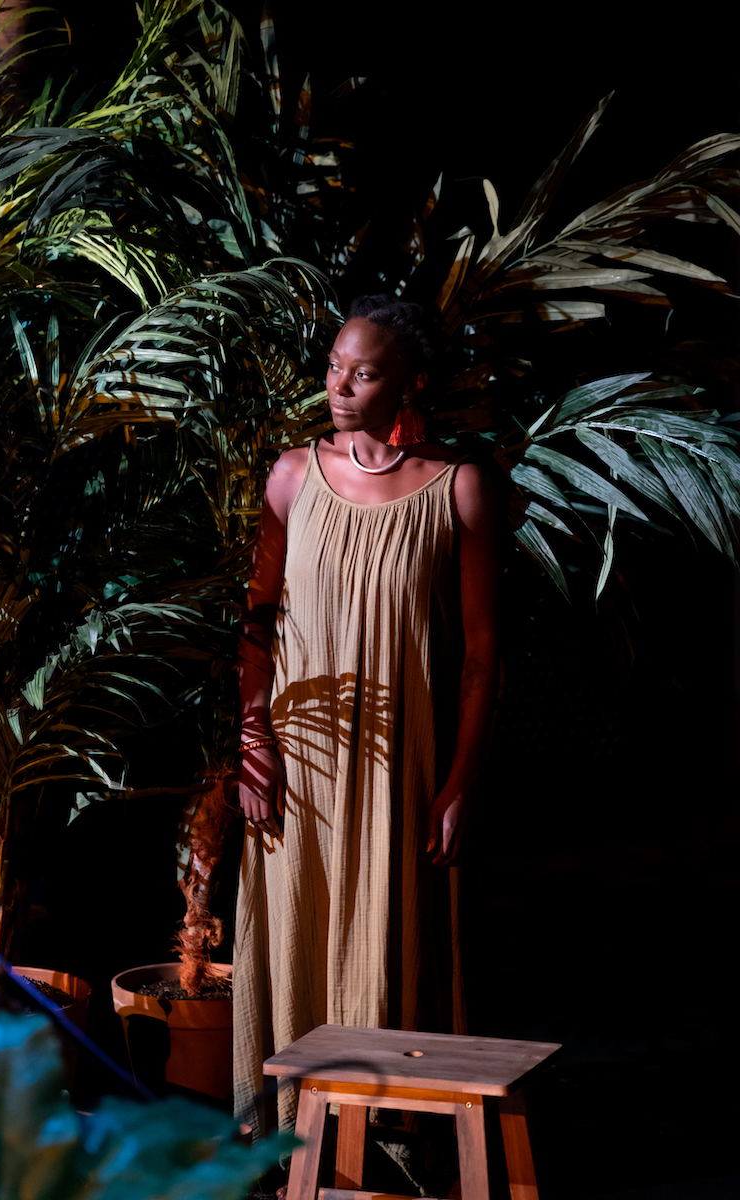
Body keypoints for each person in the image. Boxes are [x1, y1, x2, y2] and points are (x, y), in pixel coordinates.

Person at [233, 295, 500, 1135]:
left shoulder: (460, 490)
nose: (340, 386)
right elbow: (256, 625)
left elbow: (483, 658)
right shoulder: (290, 476)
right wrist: (253, 745)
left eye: (364, 371)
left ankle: (387, 1141)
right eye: (334, 367)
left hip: (399, 768)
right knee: (299, 936)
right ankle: (290, 1148)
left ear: (408, 382)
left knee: (389, 945)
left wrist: (459, 782)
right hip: (297, 771)